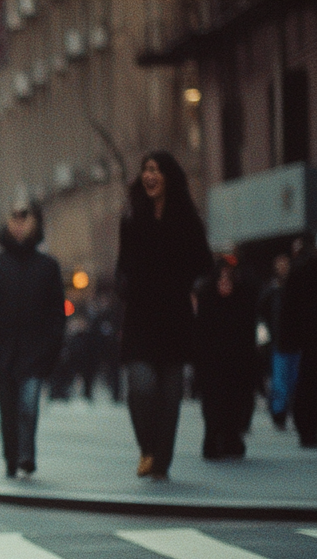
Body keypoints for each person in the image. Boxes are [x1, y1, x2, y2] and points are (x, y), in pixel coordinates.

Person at [114, 150, 210, 479]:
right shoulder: (131, 218)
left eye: (155, 169)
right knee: (140, 387)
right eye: (145, 170)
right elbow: (121, 267)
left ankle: (162, 461)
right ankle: (147, 448)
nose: (149, 175)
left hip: (175, 319)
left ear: (169, 176)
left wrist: (194, 286)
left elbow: (205, 265)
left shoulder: (187, 219)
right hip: (140, 317)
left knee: (170, 399)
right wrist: (123, 286)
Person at [0, 202, 66, 477]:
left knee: (29, 404)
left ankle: (27, 454)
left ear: (35, 223)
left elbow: (56, 311)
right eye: (14, 218)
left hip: (35, 352)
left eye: (25, 218)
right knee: (8, 409)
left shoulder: (47, 266)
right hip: (2, 352)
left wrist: (51, 344)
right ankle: (11, 457)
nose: (19, 224)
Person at [192, 253, 258, 459]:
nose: (224, 284)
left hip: (237, 360)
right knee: (213, 402)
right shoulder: (206, 296)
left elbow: (248, 330)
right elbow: (200, 331)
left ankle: (231, 438)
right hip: (212, 361)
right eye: (221, 279)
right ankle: (213, 438)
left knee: (235, 401)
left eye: (229, 279)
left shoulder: (244, 297)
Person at [280, 238, 317, 447]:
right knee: (309, 380)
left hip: (307, 336)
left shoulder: (300, 271)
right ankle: (307, 429)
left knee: (308, 380)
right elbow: (288, 308)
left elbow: (288, 307)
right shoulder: (302, 271)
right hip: (309, 337)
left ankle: (307, 429)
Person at [261, 248, 301, 430]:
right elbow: (263, 312)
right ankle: (279, 413)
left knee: (291, 379)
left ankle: (286, 411)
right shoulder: (273, 289)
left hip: (294, 341)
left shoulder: (292, 287)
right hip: (280, 341)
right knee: (280, 380)